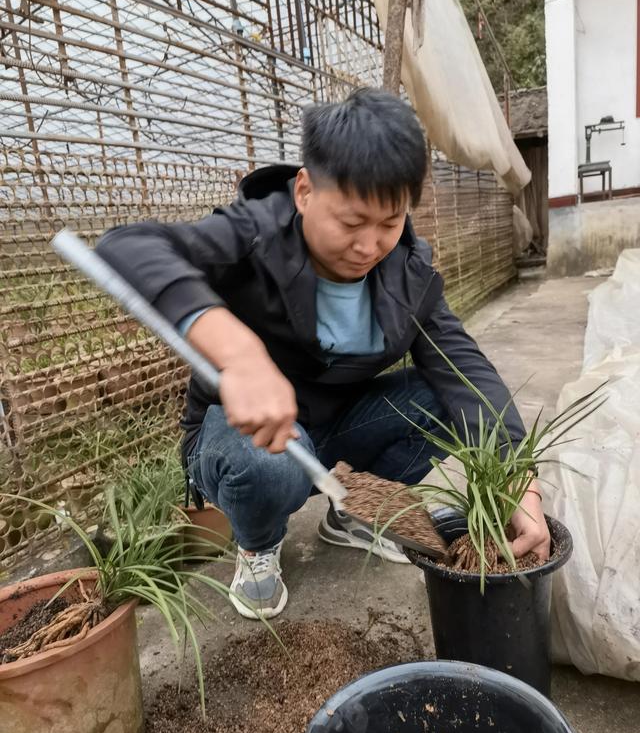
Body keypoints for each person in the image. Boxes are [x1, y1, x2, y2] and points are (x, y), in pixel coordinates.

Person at [96, 87, 548, 620]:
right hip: (246, 435)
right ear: (305, 191)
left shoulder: (408, 274)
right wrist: (240, 353)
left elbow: (464, 369)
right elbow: (126, 247)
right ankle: (258, 544)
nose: (368, 246)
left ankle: (352, 515)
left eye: (390, 222)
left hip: (339, 427)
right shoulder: (257, 232)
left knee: (445, 398)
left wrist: (520, 481)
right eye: (352, 223)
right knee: (265, 468)